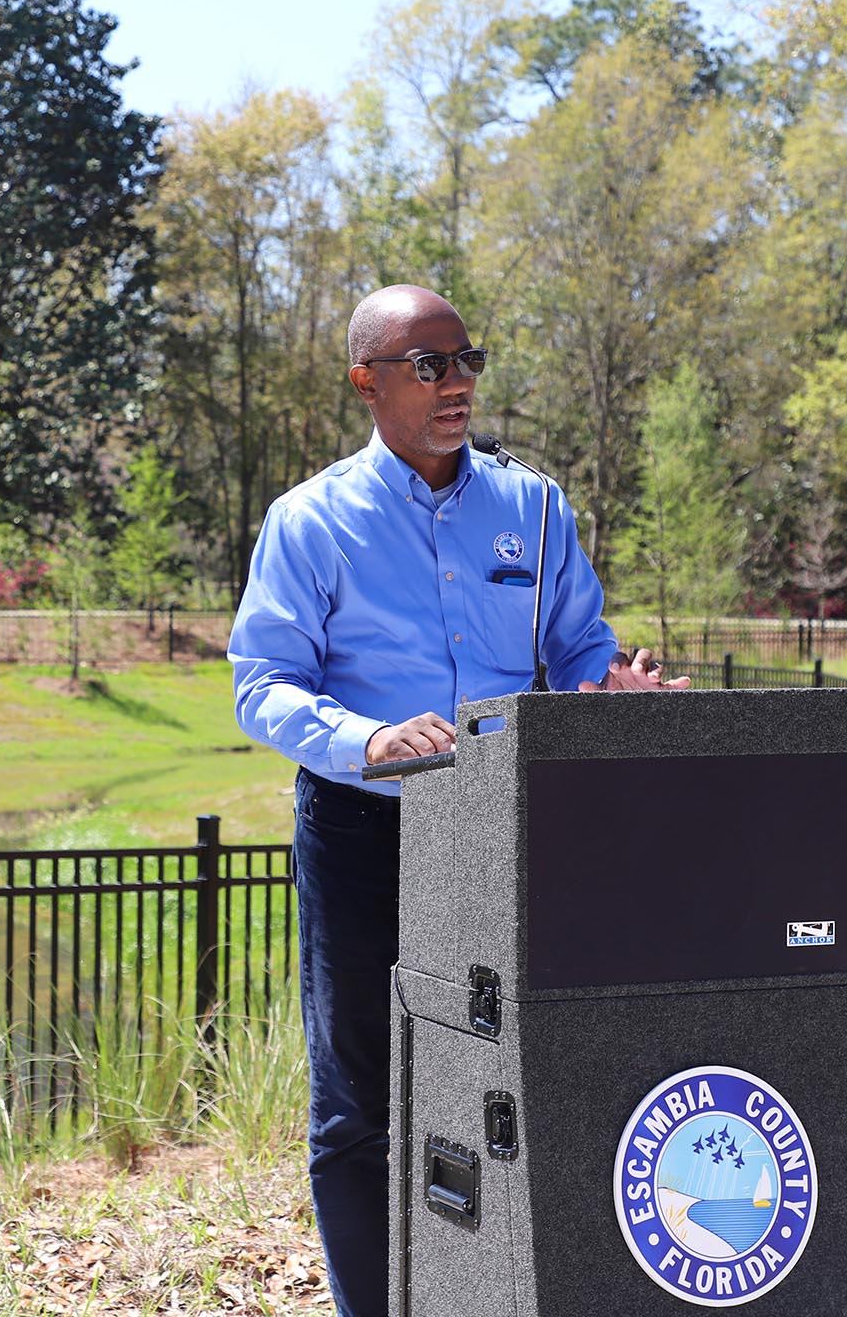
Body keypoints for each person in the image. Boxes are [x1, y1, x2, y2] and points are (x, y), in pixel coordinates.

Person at [228, 283, 688, 1317]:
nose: (458, 381)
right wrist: (367, 739)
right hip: (362, 826)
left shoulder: (529, 505)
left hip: (504, 825)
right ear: (366, 381)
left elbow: (572, 646)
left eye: (466, 358)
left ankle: (497, 1288)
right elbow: (260, 684)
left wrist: (607, 682)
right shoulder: (308, 522)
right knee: (360, 1096)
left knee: (518, 1068)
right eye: (428, 363)